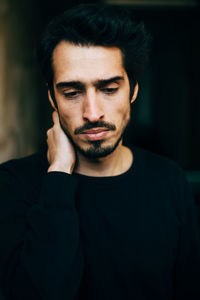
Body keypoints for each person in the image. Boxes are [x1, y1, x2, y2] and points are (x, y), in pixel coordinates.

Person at [0, 3, 199, 300]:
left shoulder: (168, 181)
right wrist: (58, 175)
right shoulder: (12, 184)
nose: (92, 113)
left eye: (108, 89)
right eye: (71, 92)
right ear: (53, 98)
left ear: (133, 91)